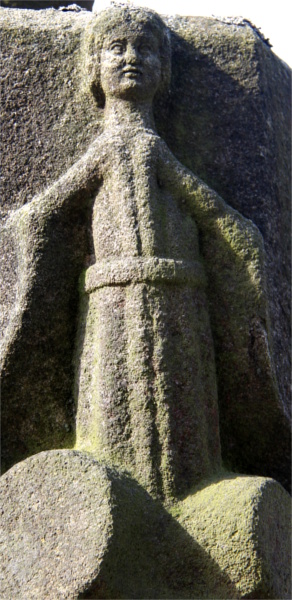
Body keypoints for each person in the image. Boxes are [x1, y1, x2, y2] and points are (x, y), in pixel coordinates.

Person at [3, 6, 273, 500]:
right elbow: (39, 214)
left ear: (165, 70)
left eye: (146, 48)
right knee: (115, 410)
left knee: (182, 408)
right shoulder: (109, 149)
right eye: (117, 48)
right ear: (94, 67)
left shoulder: (154, 150)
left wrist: (172, 172)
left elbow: (222, 220)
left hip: (178, 298)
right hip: (114, 301)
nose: (132, 58)